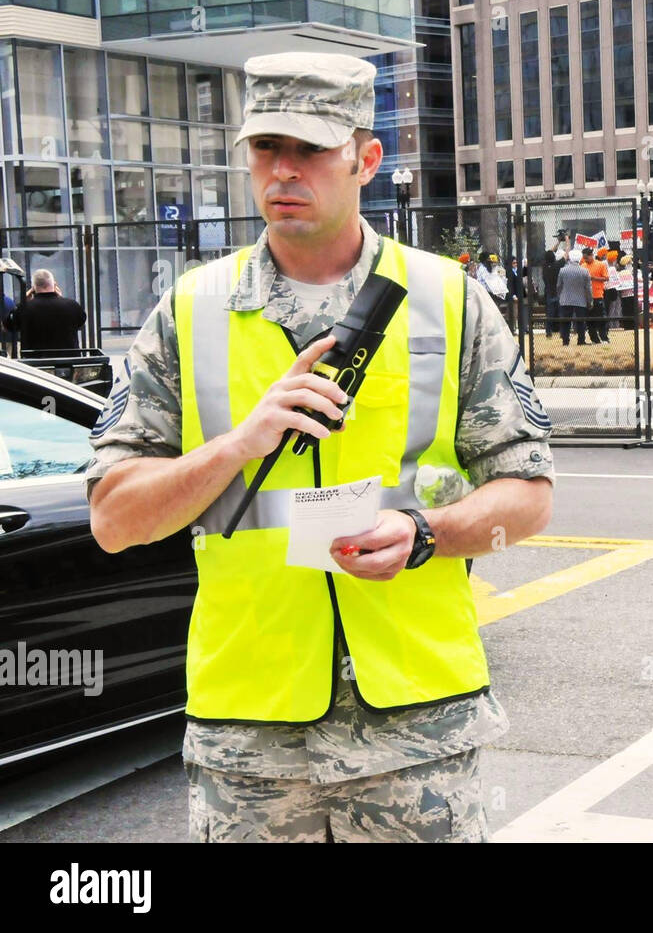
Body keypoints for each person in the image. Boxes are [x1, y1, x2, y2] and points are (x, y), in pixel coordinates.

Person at [85, 52, 554, 843]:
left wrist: (425, 534)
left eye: (309, 150)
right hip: (250, 731)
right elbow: (113, 520)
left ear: (366, 160)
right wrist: (237, 444)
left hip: (416, 726)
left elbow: (529, 494)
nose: (284, 172)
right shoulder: (190, 311)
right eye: (267, 149)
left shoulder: (447, 299)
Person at [5, 268, 86, 358]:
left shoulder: (25, 308)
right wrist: (61, 299)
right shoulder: (72, 305)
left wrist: (22, 302)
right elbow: (81, 321)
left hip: (36, 364)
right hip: (68, 362)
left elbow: (8, 325)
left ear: (33, 288)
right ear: (54, 285)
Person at [558, 246, 592, 345]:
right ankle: (581, 340)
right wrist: (589, 300)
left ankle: (565, 341)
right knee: (581, 321)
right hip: (580, 300)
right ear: (580, 258)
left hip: (565, 299)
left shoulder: (563, 270)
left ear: (570, 258)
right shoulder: (584, 271)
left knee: (566, 321)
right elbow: (588, 288)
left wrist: (560, 295)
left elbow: (559, 285)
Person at [586, 246, 608, 343]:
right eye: (584, 258)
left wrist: (594, 278)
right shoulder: (582, 266)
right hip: (587, 297)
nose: (585, 260)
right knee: (590, 320)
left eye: (587, 257)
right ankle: (594, 339)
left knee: (601, 319)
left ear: (592, 255)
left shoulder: (600, 265)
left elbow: (606, 278)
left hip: (598, 295)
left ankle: (604, 338)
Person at [541, 250, 561, 337]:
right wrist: (567, 240)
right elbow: (566, 255)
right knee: (560, 313)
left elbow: (547, 254)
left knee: (549, 313)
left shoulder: (544, 266)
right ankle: (561, 331)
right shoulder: (557, 265)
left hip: (549, 292)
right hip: (557, 291)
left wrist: (558, 241)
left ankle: (548, 332)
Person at [603, 249, 623, 331]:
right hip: (607, 288)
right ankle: (609, 325)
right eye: (615, 258)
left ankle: (615, 324)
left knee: (616, 307)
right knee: (609, 307)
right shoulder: (604, 264)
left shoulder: (614, 265)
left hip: (615, 288)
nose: (616, 259)